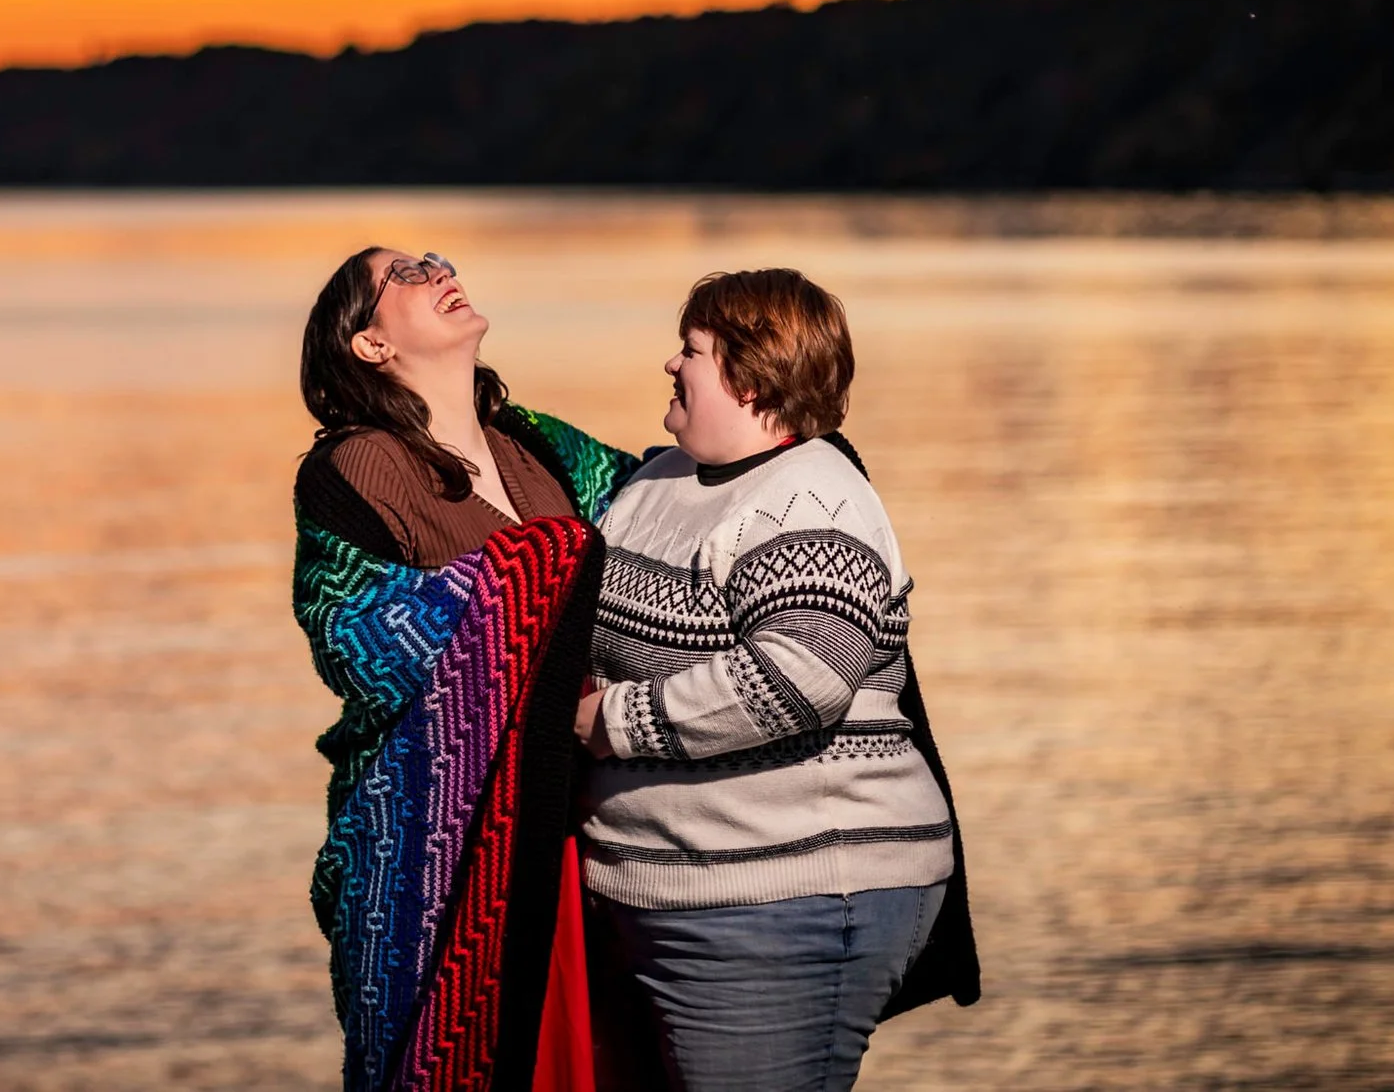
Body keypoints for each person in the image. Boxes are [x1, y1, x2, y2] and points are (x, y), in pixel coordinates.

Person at [572, 268, 980, 1092]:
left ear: (750, 378)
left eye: (690, 350)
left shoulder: (813, 498)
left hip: (787, 902)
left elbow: (802, 678)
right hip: (680, 899)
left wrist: (608, 721)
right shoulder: (656, 479)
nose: (669, 365)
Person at [291, 246, 638, 1092]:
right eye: (403, 275)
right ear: (369, 344)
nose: (438, 269)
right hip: (444, 835)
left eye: (435, 259)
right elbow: (353, 639)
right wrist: (532, 572)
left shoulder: (541, 446)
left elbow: (671, 518)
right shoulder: (356, 464)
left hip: (593, 828)